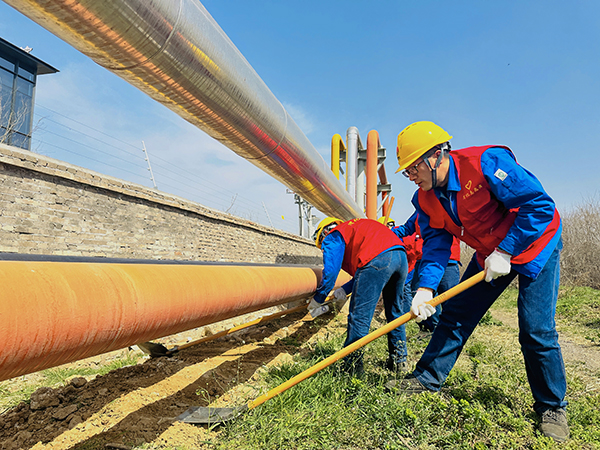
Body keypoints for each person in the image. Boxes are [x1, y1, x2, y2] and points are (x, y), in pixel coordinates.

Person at [391, 121, 568, 443]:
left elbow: (539, 206)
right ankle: (427, 377)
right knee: (457, 315)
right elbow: (436, 247)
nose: (411, 176)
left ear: (435, 157)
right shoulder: (426, 200)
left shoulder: (485, 164)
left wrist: (507, 251)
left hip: (535, 244)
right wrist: (425, 289)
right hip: (490, 252)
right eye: (407, 172)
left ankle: (552, 407)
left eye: (413, 167)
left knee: (536, 329)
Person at [310, 217, 409, 375]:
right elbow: (365, 270)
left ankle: (352, 366)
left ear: (324, 234)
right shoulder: (355, 228)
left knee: (359, 316)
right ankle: (399, 360)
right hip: (400, 257)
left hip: (378, 258)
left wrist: (318, 299)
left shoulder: (333, 235)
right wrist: (345, 289)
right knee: (395, 312)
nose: (324, 250)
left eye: (322, 247)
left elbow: (330, 272)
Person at [392, 211, 461, 333]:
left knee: (450, 299)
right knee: (419, 296)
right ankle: (428, 329)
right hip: (423, 259)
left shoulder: (451, 204)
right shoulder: (421, 209)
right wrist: (386, 233)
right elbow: (407, 228)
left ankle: (453, 332)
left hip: (449, 260)